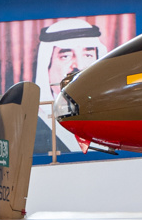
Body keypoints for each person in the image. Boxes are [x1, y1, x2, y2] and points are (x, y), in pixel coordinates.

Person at [33, 18, 102, 155]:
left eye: (88, 55)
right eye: (65, 56)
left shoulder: (114, 118)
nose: (79, 66)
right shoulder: (35, 125)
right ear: (47, 66)